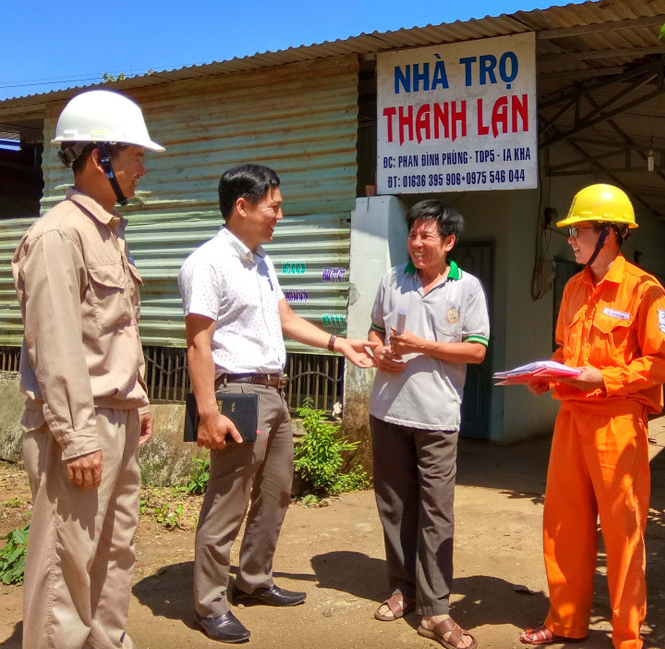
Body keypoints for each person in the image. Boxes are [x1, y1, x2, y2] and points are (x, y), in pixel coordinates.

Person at [178, 163, 374, 643]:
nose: (280, 216)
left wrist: (339, 343)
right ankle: (209, 604)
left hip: (273, 391)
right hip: (237, 392)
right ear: (242, 206)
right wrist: (208, 411)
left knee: (276, 491)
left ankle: (253, 579)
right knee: (228, 500)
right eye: (275, 206)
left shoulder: (261, 261)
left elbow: (285, 318)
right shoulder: (207, 262)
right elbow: (198, 343)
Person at [10, 89, 164, 649]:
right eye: (136, 156)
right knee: (66, 561)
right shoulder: (59, 234)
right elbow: (54, 345)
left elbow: (116, 329)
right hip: (80, 421)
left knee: (114, 550)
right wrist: (76, 438)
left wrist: (138, 396)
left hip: (115, 413)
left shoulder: (108, 232)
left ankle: (106, 641)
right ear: (100, 157)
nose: (142, 169)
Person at [520, 184, 665, 649]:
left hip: (618, 422)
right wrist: (547, 372)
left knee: (623, 529)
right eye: (571, 232)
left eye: (579, 230)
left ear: (610, 233)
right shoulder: (573, 288)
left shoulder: (647, 291)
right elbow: (566, 351)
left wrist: (604, 378)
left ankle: (627, 636)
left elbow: (661, 363)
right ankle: (566, 621)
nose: (570, 239)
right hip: (572, 418)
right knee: (564, 523)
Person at [367, 199, 489, 649]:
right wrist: (379, 351)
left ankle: (435, 609)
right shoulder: (391, 280)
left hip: (437, 417)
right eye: (413, 234)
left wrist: (424, 345)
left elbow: (476, 350)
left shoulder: (467, 288)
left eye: (426, 235)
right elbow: (374, 330)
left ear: (449, 241)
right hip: (387, 411)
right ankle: (403, 588)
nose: (417, 243)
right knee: (395, 507)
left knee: (436, 512)